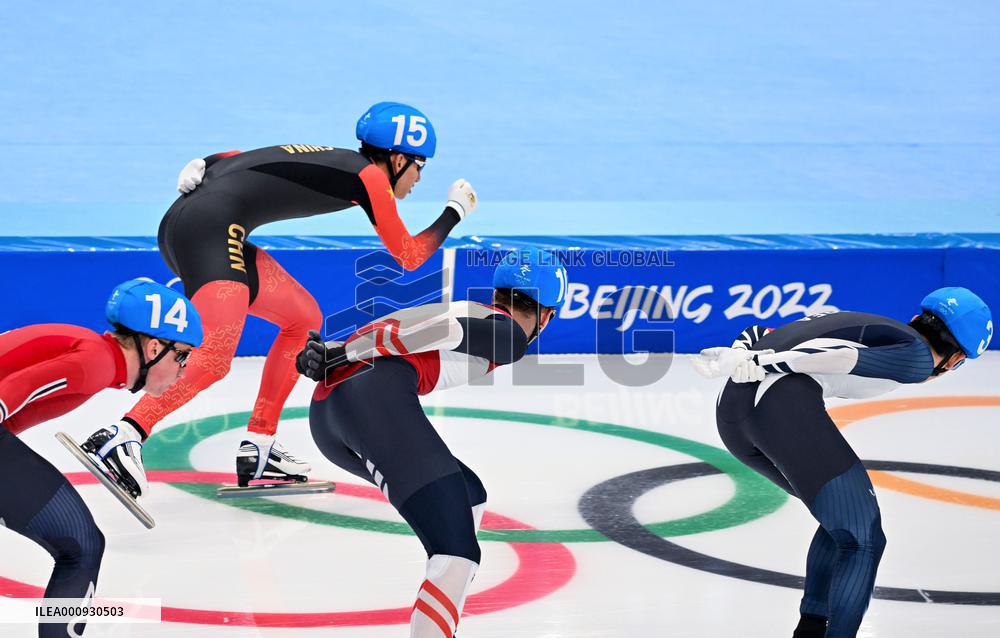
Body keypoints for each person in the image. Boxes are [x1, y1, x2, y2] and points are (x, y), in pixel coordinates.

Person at [85, 101, 479, 490]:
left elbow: (246, 158)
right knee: (214, 356)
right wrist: (454, 212)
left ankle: (259, 444)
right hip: (211, 230)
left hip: (197, 225)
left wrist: (205, 161)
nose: (419, 178)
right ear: (397, 160)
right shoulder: (370, 179)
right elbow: (408, 256)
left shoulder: (341, 161)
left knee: (303, 319)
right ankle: (123, 435)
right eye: (419, 166)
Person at [296, 247, 566, 637]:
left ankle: (442, 611)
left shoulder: (473, 309)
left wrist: (339, 351)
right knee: (456, 552)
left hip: (328, 415)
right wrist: (344, 351)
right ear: (546, 316)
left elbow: (407, 325)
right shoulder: (508, 334)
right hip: (369, 404)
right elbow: (440, 332)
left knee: (469, 494)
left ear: (498, 295)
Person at [693, 287, 993, 638]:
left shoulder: (867, 325)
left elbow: (759, 333)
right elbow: (840, 357)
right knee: (864, 539)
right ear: (955, 360)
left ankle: (811, 629)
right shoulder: (917, 356)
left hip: (731, 414)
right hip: (777, 406)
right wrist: (762, 363)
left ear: (917, 317)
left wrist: (743, 355)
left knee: (842, 521)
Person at [0, 279, 201, 637]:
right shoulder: (96, 363)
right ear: (154, 346)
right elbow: (10, 393)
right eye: (181, 355)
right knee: (81, 546)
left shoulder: (94, 354)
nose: (183, 371)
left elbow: (12, 418)